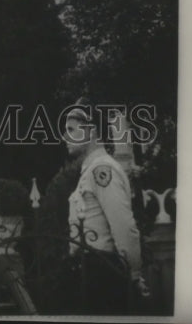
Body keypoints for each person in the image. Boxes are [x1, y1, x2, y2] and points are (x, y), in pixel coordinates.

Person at [61, 99, 151, 313]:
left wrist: (133, 275)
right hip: (89, 270)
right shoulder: (91, 169)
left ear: (91, 131)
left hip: (104, 271)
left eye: (71, 129)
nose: (65, 136)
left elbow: (124, 226)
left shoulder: (102, 170)